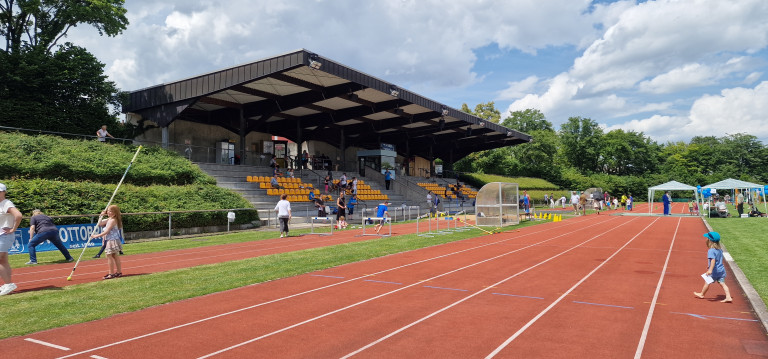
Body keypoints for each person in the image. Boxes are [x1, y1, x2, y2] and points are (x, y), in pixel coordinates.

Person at [694, 232, 733, 303]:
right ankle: (728, 297)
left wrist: (710, 270)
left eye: (707, 238)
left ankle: (702, 294)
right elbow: (717, 260)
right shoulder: (720, 250)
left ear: (710, 240)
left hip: (714, 271)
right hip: (721, 270)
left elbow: (713, 260)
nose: (706, 239)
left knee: (707, 282)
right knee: (722, 283)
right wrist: (709, 266)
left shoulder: (711, 251)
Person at [89, 205, 124, 279]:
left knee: (109, 256)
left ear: (114, 213)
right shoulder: (109, 219)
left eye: (110, 211)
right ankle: (118, 272)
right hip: (112, 239)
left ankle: (111, 273)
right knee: (114, 255)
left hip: (112, 240)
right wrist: (101, 215)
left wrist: (96, 236)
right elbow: (100, 223)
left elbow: (107, 231)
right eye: (108, 210)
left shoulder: (113, 220)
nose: (108, 212)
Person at [0, 183, 22, 295]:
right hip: (2, 235)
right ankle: (7, 284)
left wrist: (13, 229)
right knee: (3, 261)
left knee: (1, 260)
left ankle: (9, 284)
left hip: (4, 235)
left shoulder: (6, 203)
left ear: (4, 192)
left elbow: (18, 215)